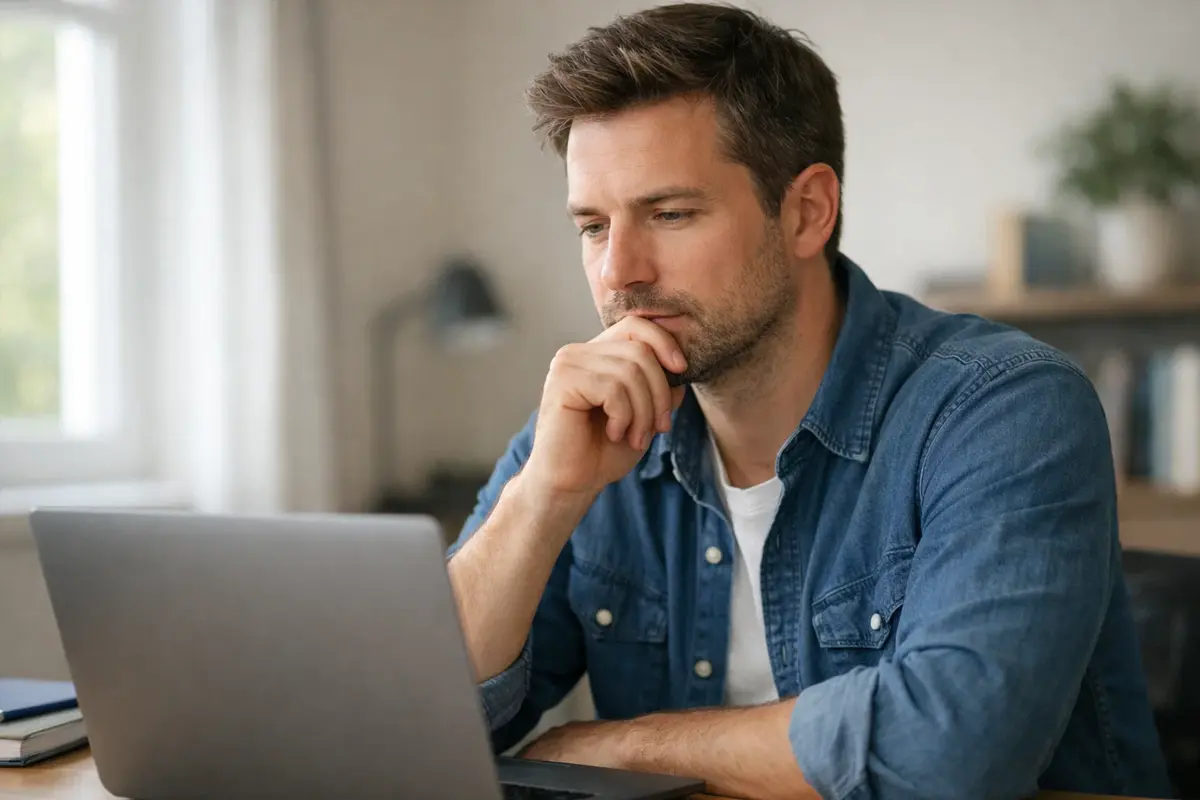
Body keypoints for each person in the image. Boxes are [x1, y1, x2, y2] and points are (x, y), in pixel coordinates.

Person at [445, 4, 1172, 799]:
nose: (619, 272)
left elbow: (951, 753)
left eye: (670, 213)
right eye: (592, 225)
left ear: (806, 212)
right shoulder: (585, 426)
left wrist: (627, 747)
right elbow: (429, 727)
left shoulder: (1003, 408)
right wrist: (542, 497)